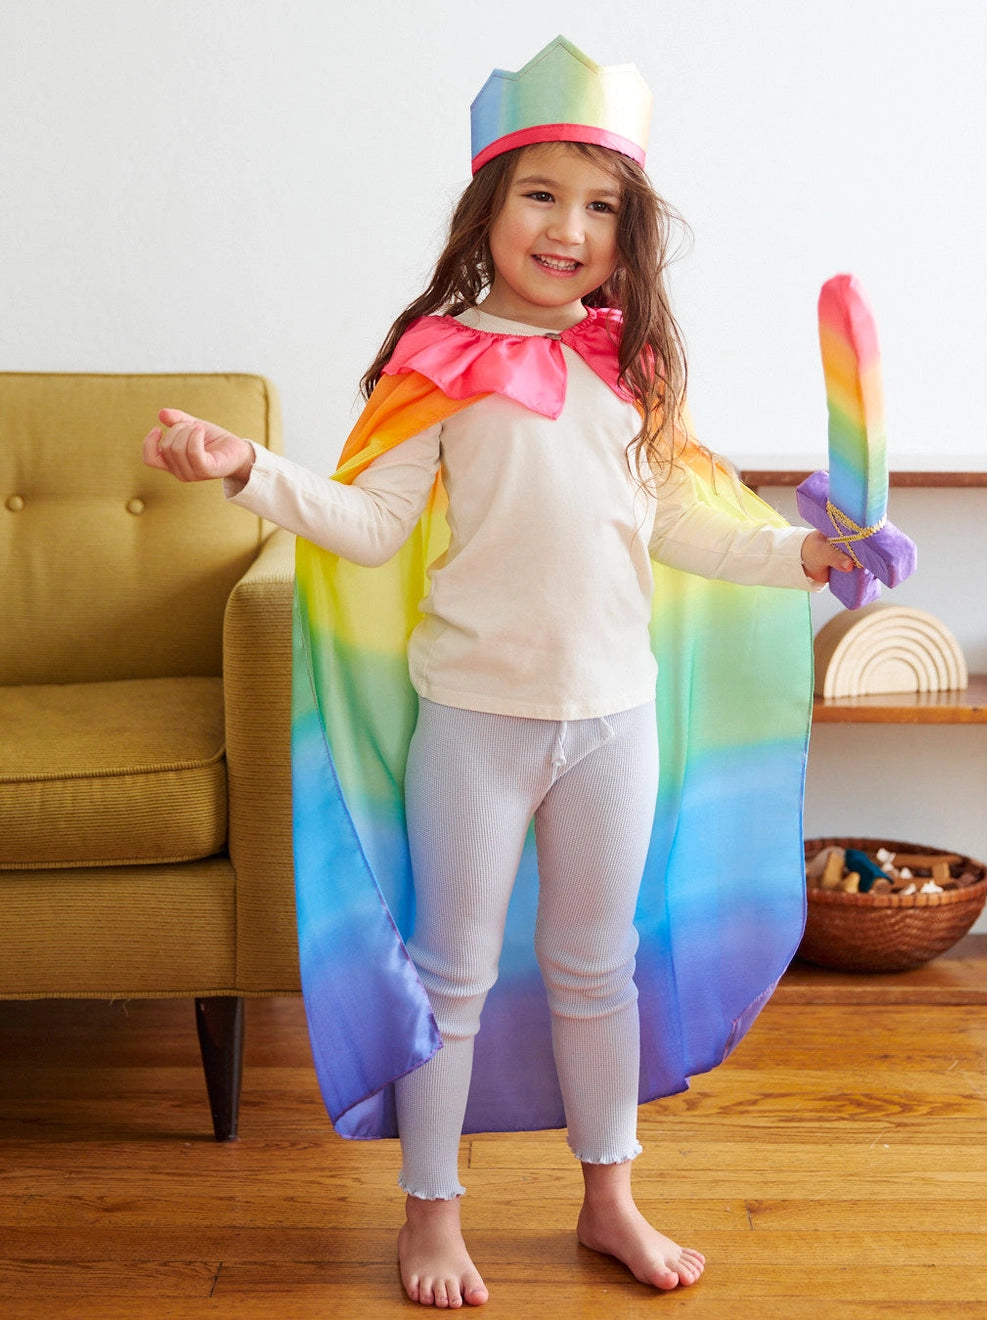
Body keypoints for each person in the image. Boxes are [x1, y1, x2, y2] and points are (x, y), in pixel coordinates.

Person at [144, 36, 851, 1309]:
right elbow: (368, 527)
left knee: (598, 969)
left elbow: (681, 526)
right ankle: (431, 1213)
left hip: (613, 725)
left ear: (630, 235)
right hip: (474, 723)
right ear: (487, 207)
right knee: (452, 974)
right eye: (541, 193)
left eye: (602, 205)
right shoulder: (441, 357)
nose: (569, 227)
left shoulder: (628, 366)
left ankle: (609, 1199)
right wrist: (248, 466)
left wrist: (808, 554)